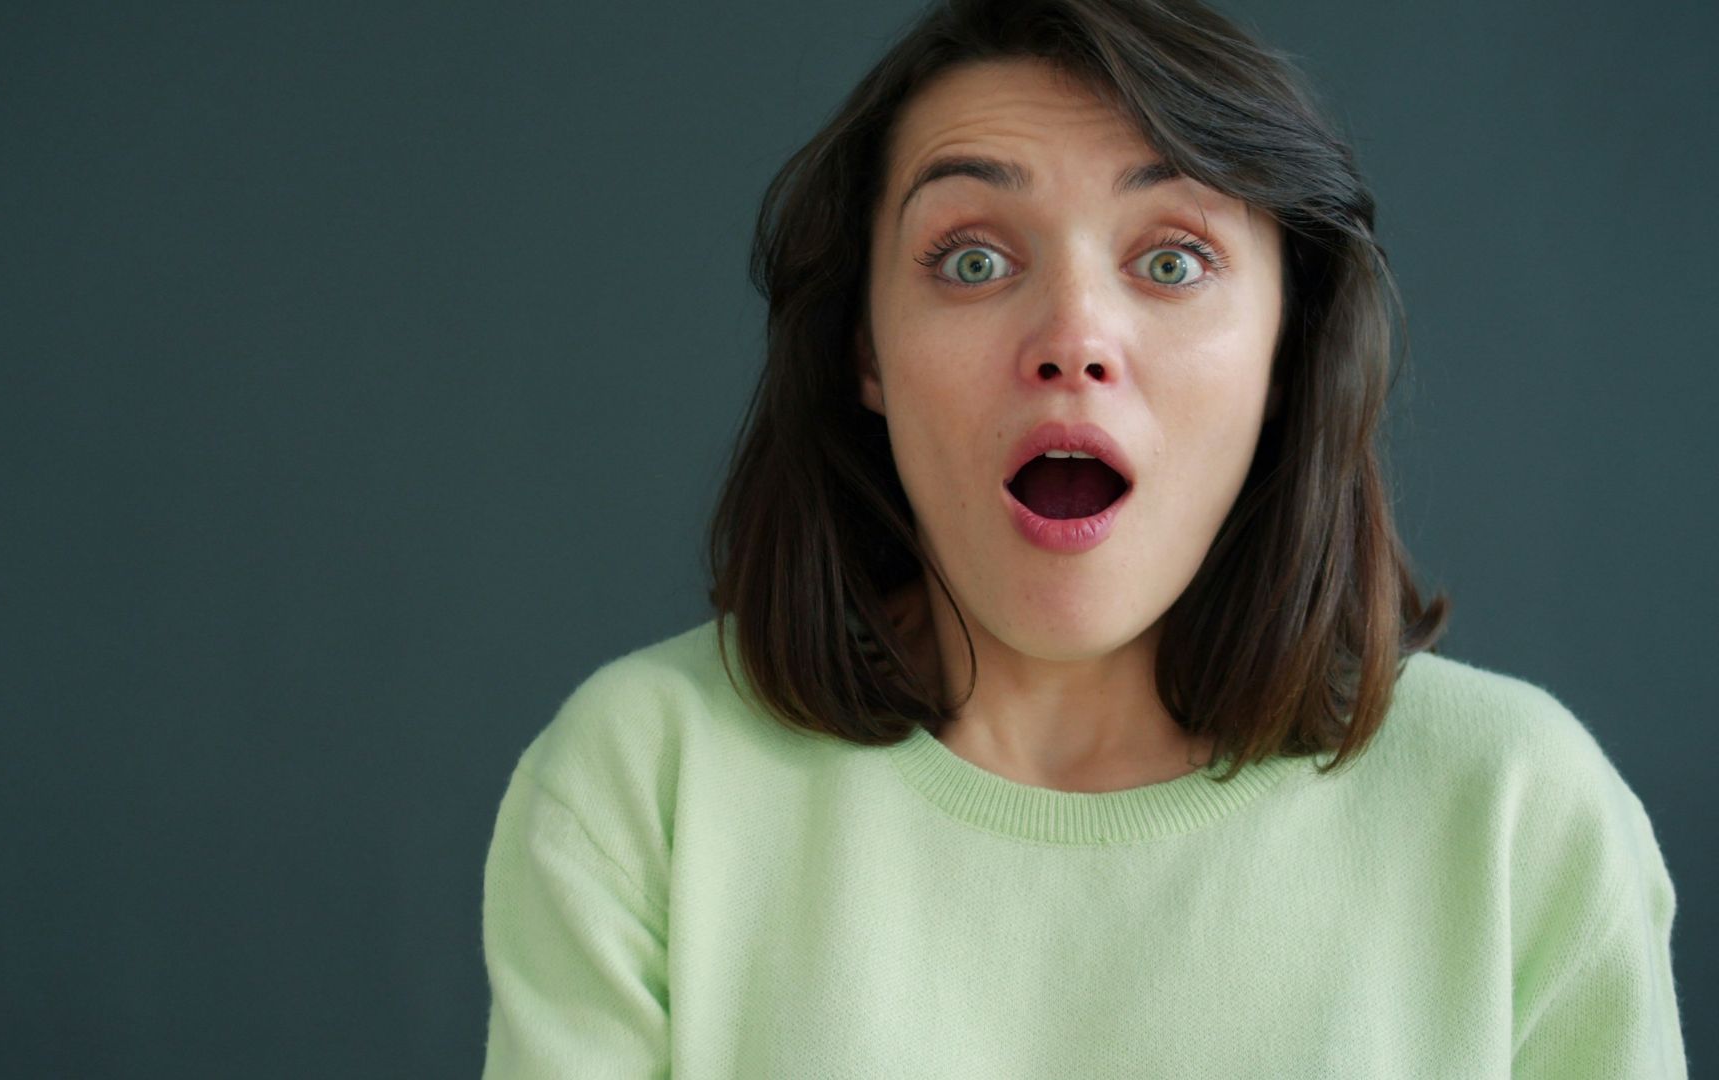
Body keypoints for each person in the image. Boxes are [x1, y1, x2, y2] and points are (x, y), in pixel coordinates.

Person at [480, 0, 1688, 1075]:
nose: (1073, 334)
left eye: (1172, 259)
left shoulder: (1520, 818)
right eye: (971, 258)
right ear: (865, 352)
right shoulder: (644, 789)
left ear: (1288, 351)